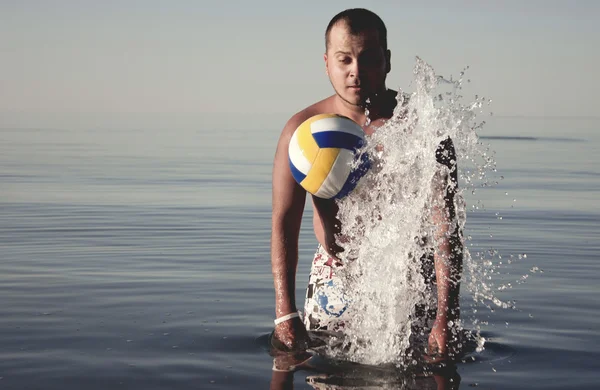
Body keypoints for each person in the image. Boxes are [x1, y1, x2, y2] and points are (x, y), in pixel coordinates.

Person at [270, 8, 462, 360]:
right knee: (326, 377)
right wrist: (285, 313)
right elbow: (284, 224)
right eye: (344, 59)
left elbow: (445, 228)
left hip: (409, 282)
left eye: (368, 58)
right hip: (335, 280)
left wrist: (445, 315)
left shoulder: (422, 129)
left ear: (387, 61)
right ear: (327, 63)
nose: (355, 71)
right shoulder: (301, 133)